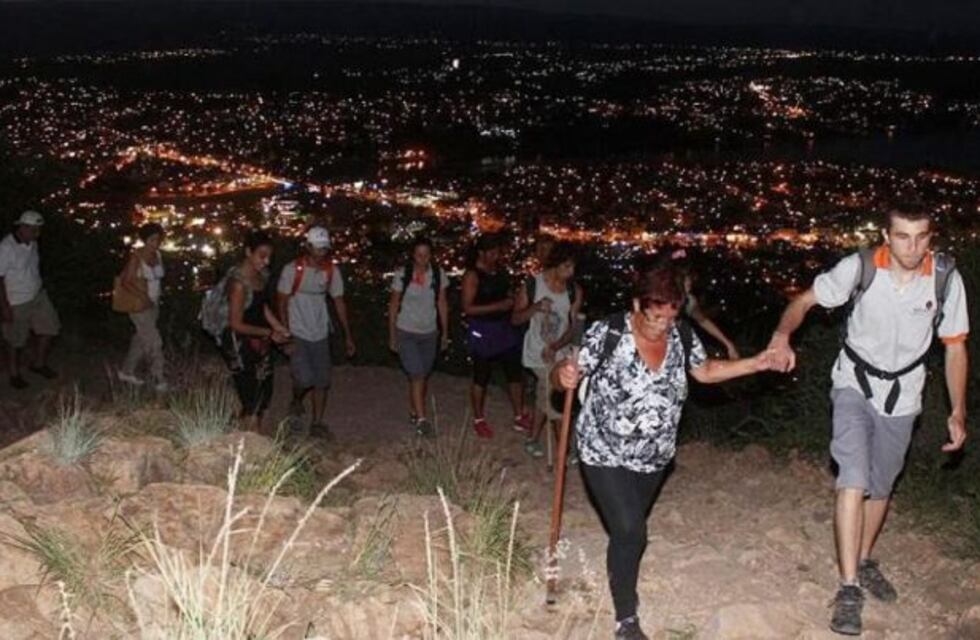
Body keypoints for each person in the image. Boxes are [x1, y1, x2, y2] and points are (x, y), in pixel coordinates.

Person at [766, 202, 968, 636]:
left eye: (921, 237)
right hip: (854, 382)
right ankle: (849, 587)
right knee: (852, 477)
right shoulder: (859, 268)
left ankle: (863, 558)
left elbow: (954, 347)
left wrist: (957, 409)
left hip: (905, 393)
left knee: (881, 487)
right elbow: (804, 301)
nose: (912, 247)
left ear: (931, 237)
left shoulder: (946, 279)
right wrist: (782, 335)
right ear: (886, 236)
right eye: (902, 236)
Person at [553, 261, 774, 640]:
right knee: (631, 529)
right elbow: (567, 371)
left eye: (669, 318)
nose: (661, 326)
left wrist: (756, 363)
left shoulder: (683, 335)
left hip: (655, 455)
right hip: (602, 448)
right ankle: (626, 619)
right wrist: (563, 373)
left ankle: (619, 568)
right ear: (637, 304)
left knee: (626, 533)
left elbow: (705, 372)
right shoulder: (607, 332)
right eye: (654, 317)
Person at [276, 226, 355, 438]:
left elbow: (339, 302)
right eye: (317, 249)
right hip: (298, 329)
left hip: (320, 330)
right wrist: (286, 334)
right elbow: (282, 301)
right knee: (304, 377)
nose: (321, 253)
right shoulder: (292, 270)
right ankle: (296, 400)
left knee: (322, 379)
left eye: (324, 249)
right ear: (308, 247)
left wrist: (347, 334)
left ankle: (317, 422)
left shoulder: (330, 271)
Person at [512, 241, 583, 458]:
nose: (571, 273)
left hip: (559, 352)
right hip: (536, 353)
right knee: (553, 395)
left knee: (547, 393)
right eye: (567, 267)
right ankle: (564, 450)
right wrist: (534, 308)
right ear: (556, 264)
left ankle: (533, 439)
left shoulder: (573, 291)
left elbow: (574, 327)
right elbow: (515, 318)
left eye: (573, 268)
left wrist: (556, 346)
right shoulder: (533, 285)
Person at [461, 233, 531, 438]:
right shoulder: (472, 275)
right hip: (483, 330)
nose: (495, 256)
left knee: (514, 372)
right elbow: (468, 308)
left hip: (504, 327)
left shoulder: (499, 271)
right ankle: (479, 418)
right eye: (491, 252)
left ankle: (519, 415)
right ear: (481, 252)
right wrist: (498, 305)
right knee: (481, 375)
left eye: (497, 252)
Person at [225, 230, 290, 434]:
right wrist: (270, 332)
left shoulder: (260, 276)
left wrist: (277, 327)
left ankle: (245, 431)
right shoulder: (238, 283)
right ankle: (251, 444)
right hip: (239, 342)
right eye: (262, 256)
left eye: (269, 256)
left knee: (263, 390)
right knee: (251, 393)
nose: (266, 261)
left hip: (260, 340)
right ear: (248, 252)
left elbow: (259, 306)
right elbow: (236, 323)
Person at [387, 237, 450, 437]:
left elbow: (442, 303)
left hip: (429, 332)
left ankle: (415, 409)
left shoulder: (438, 275)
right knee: (417, 374)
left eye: (426, 254)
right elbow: (394, 305)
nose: (423, 258)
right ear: (413, 255)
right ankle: (423, 420)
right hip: (407, 330)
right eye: (419, 254)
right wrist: (392, 334)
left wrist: (445, 332)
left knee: (421, 375)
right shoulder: (403, 274)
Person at [0, 210, 60, 390]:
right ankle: (14, 373)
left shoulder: (32, 243)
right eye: (34, 230)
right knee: (15, 340)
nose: (37, 234)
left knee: (50, 328)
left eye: (39, 230)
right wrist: (4, 307)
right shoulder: (6, 248)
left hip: (37, 295)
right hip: (17, 300)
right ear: (22, 227)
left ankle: (38, 364)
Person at [118, 223, 169, 392]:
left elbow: (157, 280)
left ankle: (126, 371)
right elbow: (125, 281)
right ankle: (158, 378)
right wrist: (144, 297)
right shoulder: (136, 257)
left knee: (141, 339)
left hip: (153, 304)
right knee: (155, 341)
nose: (156, 242)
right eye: (153, 239)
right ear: (145, 240)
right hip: (139, 306)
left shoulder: (158, 255)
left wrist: (154, 299)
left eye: (158, 239)